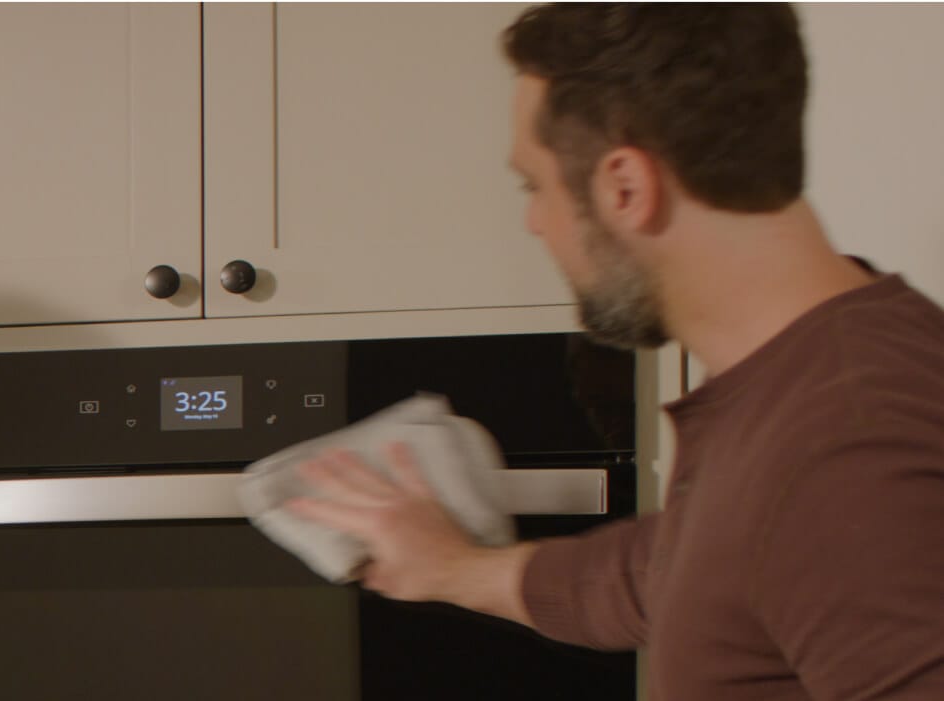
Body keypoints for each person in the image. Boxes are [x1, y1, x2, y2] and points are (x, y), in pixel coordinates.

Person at [286, 5, 944, 700]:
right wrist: (454, 568)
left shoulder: (848, 443)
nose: (535, 221)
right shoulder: (803, 377)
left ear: (625, 188)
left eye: (534, 185)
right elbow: (675, 570)